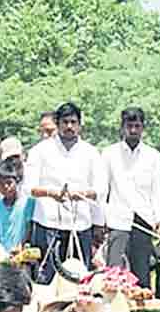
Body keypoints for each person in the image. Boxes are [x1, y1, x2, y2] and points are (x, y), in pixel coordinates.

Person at [26, 102, 106, 284]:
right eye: (65, 122)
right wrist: (51, 193)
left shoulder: (91, 153)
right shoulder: (40, 151)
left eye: (73, 122)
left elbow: (101, 189)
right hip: (48, 223)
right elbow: (28, 188)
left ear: (80, 124)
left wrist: (83, 194)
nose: (69, 126)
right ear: (57, 123)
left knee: (79, 279)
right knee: (46, 279)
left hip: (81, 224)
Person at [102, 107, 160, 286]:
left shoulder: (153, 156)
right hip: (117, 220)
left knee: (141, 275)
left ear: (143, 128)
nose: (133, 130)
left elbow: (157, 191)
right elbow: (102, 190)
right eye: (129, 126)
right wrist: (103, 220)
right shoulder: (109, 154)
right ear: (122, 127)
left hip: (144, 221)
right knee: (114, 275)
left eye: (137, 126)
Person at [0, 159, 36, 253]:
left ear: (17, 181)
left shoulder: (28, 202)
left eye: (9, 183)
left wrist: (22, 246)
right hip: (4, 256)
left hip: (23, 254)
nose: (6, 187)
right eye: (1, 184)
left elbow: (30, 228)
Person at [0, 137, 26, 206]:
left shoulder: (34, 173)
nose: (13, 160)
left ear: (23, 155)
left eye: (16, 156)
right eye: (9, 158)